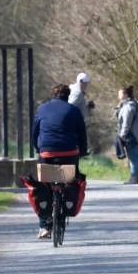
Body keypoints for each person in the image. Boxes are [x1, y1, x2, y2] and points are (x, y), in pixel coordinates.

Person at [32, 83, 87, 238]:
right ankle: (67, 203)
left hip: (47, 153)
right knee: (71, 180)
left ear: (53, 94)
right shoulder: (74, 111)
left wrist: (38, 148)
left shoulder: (41, 109)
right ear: (68, 96)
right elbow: (82, 135)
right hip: (69, 153)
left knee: (44, 185)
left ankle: (44, 226)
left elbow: (34, 133)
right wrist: (82, 151)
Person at [116, 86, 138, 184]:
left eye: (120, 93)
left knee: (133, 157)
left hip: (132, 135)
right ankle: (134, 177)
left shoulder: (129, 107)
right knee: (134, 156)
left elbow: (126, 123)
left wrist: (122, 135)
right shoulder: (131, 105)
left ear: (125, 94)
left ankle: (135, 178)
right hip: (136, 135)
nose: (118, 95)